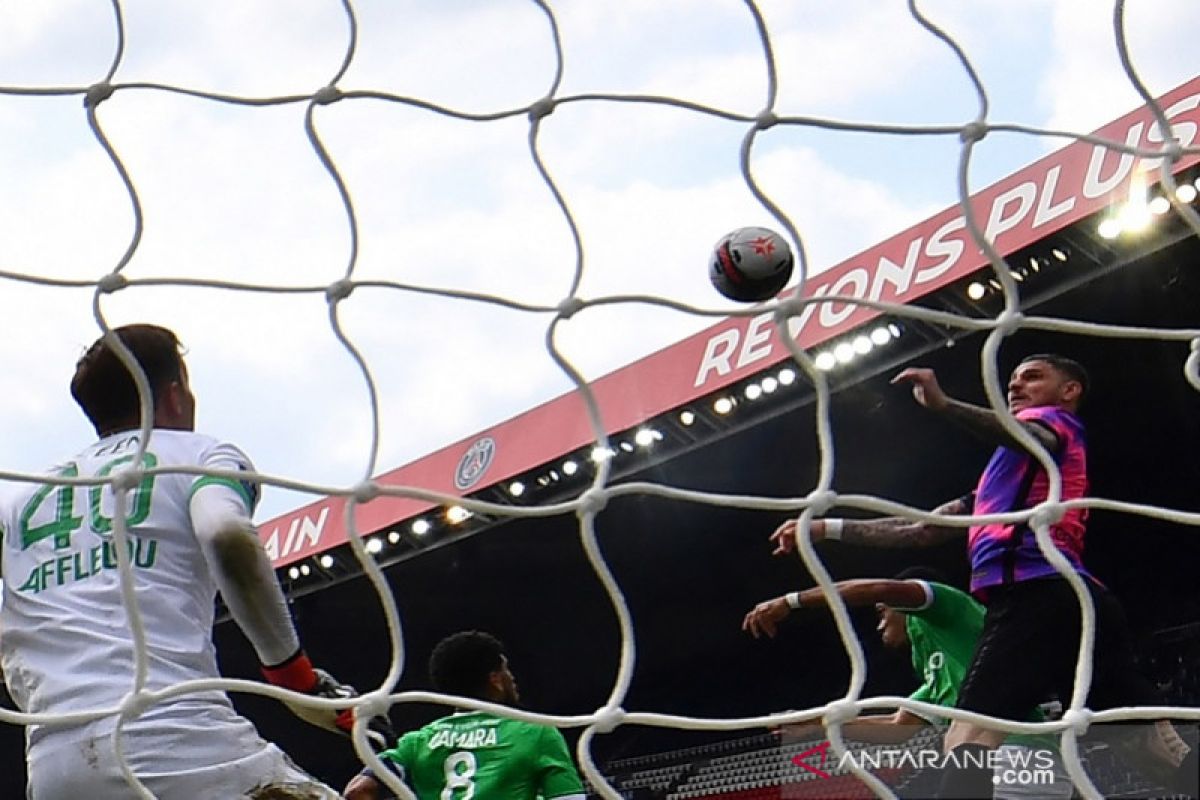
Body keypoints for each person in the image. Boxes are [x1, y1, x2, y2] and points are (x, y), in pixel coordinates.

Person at [768, 354, 1196, 798]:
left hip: (1036, 594)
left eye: (1032, 377)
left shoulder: (1053, 427)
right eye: (1011, 380)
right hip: (1084, 603)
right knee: (1153, 752)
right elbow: (920, 530)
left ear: (1069, 391)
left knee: (967, 740)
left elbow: (1031, 435)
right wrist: (827, 528)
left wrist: (944, 406)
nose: (1015, 386)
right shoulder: (1001, 477)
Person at [0, 324, 362, 799]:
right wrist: (296, 681)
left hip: (53, 765)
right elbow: (225, 531)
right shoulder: (198, 453)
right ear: (174, 394)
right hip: (175, 741)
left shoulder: (22, 499)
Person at [742, 566, 1074, 799]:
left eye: (882, 612)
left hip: (1015, 759)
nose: (879, 623)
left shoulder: (949, 607)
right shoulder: (942, 672)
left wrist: (792, 601)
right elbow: (898, 726)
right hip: (1004, 766)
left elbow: (881, 588)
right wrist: (817, 725)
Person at [344, 630, 585, 800]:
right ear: (495, 680)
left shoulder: (416, 742)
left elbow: (358, 791)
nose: (512, 678)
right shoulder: (536, 732)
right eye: (506, 669)